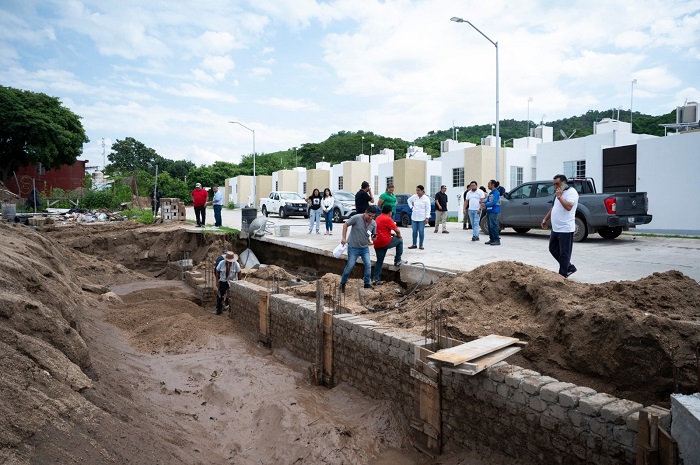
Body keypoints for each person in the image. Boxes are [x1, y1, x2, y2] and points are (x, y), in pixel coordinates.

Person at [541, 174, 579, 278]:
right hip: (556, 228)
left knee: (564, 253)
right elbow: (553, 208)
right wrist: (545, 219)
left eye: (557, 184)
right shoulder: (558, 193)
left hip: (565, 228)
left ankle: (562, 275)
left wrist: (559, 196)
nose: (555, 186)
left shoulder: (572, 192)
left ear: (564, 183)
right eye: (554, 184)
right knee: (553, 249)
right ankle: (569, 267)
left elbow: (568, 207)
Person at [339, 205, 377, 292]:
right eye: (369, 215)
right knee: (350, 265)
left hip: (364, 248)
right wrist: (344, 238)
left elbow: (374, 236)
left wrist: (374, 237)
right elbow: (345, 224)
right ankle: (342, 283)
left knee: (368, 264)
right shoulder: (357, 218)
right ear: (365, 212)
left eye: (373, 216)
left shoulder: (374, 223)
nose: (370, 218)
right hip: (353, 247)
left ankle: (367, 283)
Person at [372, 204, 404, 285]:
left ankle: (375, 279)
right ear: (390, 212)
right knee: (400, 241)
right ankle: (397, 260)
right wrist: (398, 236)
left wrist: (392, 235)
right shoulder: (388, 219)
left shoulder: (378, 218)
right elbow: (397, 230)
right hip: (385, 241)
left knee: (379, 261)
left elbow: (382, 230)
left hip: (377, 242)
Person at [407, 185, 431, 250]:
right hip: (414, 216)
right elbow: (408, 200)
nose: (417, 192)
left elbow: (428, 208)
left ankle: (421, 244)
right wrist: (411, 207)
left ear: (422, 190)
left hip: (422, 217)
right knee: (414, 231)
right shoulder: (414, 197)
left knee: (421, 231)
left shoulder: (426, 198)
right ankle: (414, 244)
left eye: (418, 190)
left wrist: (427, 217)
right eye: (416, 190)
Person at [480, 180, 501, 246]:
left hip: (494, 210)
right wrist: (483, 202)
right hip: (489, 210)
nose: (488, 185)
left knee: (493, 225)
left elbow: (494, 202)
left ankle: (496, 240)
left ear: (493, 185)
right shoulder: (491, 193)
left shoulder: (496, 192)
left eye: (489, 184)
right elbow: (488, 200)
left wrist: (485, 204)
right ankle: (492, 239)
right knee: (489, 226)